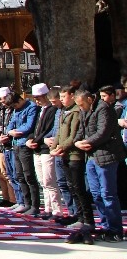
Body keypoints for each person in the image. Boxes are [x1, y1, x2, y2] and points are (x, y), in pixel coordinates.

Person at [75, 87, 125, 241]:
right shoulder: (84, 110)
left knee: (108, 194)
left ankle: (115, 229)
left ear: (90, 99)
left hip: (106, 155)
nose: (81, 108)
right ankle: (105, 226)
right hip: (91, 156)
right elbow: (81, 130)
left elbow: (103, 132)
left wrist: (87, 142)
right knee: (96, 194)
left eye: (82, 104)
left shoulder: (104, 109)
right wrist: (77, 142)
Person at [52, 86, 92, 242]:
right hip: (64, 154)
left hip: (74, 154)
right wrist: (54, 146)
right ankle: (77, 215)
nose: (61, 99)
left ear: (72, 96)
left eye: (64, 96)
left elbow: (74, 134)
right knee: (71, 187)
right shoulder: (64, 111)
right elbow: (59, 132)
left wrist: (62, 147)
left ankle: (86, 219)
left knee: (79, 188)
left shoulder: (76, 111)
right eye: (60, 97)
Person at [26, 84, 65, 219]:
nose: (37, 101)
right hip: (38, 148)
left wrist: (38, 140)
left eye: (39, 98)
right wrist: (30, 139)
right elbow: (36, 128)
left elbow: (48, 129)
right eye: (35, 98)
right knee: (42, 181)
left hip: (46, 149)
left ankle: (57, 210)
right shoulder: (40, 110)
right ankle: (48, 208)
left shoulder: (53, 110)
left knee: (49, 181)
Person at [6, 87, 41, 215]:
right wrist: (10, 131)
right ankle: (26, 202)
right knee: (19, 175)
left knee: (29, 175)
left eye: (15, 105)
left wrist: (17, 131)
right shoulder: (16, 110)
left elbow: (29, 125)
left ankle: (34, 205)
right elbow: (11, 123)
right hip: (16, 143)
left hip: (25, 143)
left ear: (20, 100)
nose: (15, 108)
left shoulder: (31, 107)